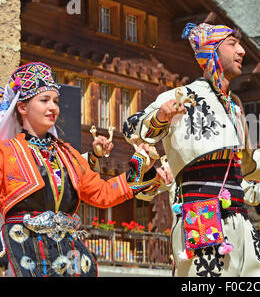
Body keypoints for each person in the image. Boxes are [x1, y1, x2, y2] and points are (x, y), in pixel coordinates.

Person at [123, 22, 260, 277]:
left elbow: (246, 166)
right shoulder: (183, 95)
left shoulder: (235, 106)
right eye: (232, 44)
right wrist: (162, 117)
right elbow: (131, 127)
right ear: (211, 51)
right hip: (201, 215)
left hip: (239, 220)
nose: (242, 51)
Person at [0, 62, 167, 277]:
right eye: (44, 100)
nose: (53, 107)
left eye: (56, 101)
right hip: (25, 253)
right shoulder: (7, 152)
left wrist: (141, 167)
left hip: (68, 257)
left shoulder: (68, 154)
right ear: (22, 107)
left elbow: (102, 193)